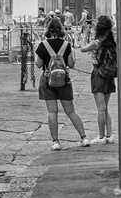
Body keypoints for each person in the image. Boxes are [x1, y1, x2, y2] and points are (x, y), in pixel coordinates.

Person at [36, 17, 92, 149]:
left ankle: (56, 142)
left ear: (48, 30)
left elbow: (38, 64)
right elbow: (71, 65)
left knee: (52, 112)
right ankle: (84, 138)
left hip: (48, 79)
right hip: (64, 80)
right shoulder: (66, 45)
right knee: (71, 111)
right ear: (61, 30)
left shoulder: (43, 45)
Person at [88, 14, 117, 144]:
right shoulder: (112, 42)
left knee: (100, 108)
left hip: (99, 74)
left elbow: (83, 48)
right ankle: (110, 135)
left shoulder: (96, 43)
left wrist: (84, 37)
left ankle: (101, 137)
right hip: (109, 75)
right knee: (105, 107)